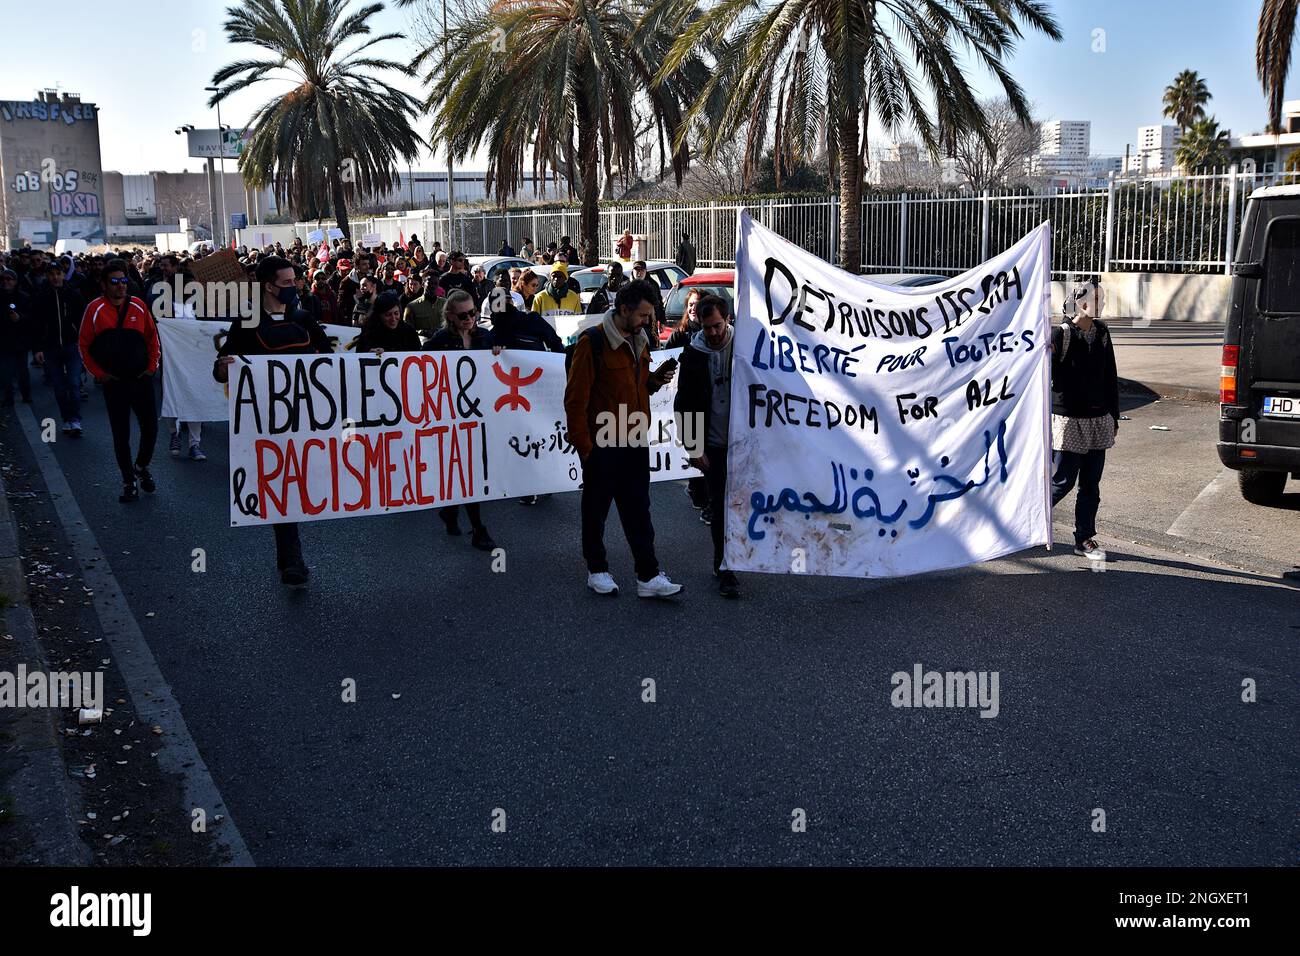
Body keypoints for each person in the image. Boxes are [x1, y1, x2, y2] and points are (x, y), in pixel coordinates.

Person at [214, 255, 332, 587]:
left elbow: (331, 362)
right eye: (286, 283)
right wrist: (223, 368)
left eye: (295, 281)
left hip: (305, 415)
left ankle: (289, 558)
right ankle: (292, 560)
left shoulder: (304, 318)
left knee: (298, 480)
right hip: (267, 420)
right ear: (268, 286)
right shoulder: (247, 322)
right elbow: (221, 366)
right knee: (284, 482)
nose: (294, 287)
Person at [564, 280, 682, 599]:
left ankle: (648, 576)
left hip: (635, 441)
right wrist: (587, 450)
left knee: (639, 512)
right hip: (602, 443)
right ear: (624, 309)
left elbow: (638, 386)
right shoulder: (593, 342)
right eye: (643, 315)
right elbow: (575, 401)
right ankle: (597, 570)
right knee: (596, 511)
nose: (647, 321)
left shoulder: (640, 338)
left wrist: (655, 381)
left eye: (650, 315)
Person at [79, 260, 161, 503]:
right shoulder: (94, 309)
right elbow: (83, 345)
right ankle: (128, 481)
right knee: (120, 434)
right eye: (114, 282)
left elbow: (152, 338)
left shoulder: (138, 305)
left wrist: (150, 367)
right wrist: (100, 374)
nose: (120, 286)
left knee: (151, 428)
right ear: (104, 285)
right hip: (114, 383)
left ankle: (140, 466)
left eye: (123, 281)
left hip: (140, 380)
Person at [673, 295, 738, 598]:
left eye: (717, 326)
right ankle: (724, 566)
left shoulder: (746, 348)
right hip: (713, 446)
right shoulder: (693, 353)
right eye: (707, 327)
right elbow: (683, 403)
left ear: (727, 320)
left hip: (745, 445)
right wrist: (694, 447)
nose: (713, 333)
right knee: (722, 508)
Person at [1050, 280, 1120, 562]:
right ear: (1082, 303)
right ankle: (1023, 524)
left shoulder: (1102, 332)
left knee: (1091, 483)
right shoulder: (1061, 334)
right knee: (1062, 481)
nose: (1102, 303)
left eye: (1103, 299)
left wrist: (1113, 415)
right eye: (1098, 299)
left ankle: (1084, 538)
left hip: (1098, 419)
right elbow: (1045, 377)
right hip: (1069, 420)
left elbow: (1109, 375)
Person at [428, 290, 498, 552]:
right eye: (463, 315)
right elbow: (414, 363)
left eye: (472, 313)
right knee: (467, 471)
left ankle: (450, 510)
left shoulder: (485, 337)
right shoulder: (441, 340)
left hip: (480, 415)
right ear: (450, 316)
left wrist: (499, 352)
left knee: (472, 470)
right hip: (451, 415)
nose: (470, 318)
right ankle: (479, 529)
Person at [33, 259, 87, 434]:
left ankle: (76, 419)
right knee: (59, 387)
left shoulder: (74, 295)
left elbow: (83, 321)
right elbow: (37, 325)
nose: (55, 277)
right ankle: (66, 417)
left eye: (58, 274)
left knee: (73, 382)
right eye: (51, 274)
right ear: (47, 276)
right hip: (51, 347)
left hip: (72, 345)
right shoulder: (41, 297)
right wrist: (38, 348)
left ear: (64, 275)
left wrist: (84, 342)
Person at [0, 268, 36, 405]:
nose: (5, 282)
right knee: (5, 372)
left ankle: (26, 395)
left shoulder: (23, 297)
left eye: (9, 279)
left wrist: (20, 318)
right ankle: (8, 397)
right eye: (3, 279)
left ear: (15, 281)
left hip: (20, 340)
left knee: (22, 371)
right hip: (4, 340)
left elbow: (31, 317)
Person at [356, 291, 422, 354]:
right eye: (388, 315)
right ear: (379, 315)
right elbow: (357, 358)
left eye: (396, 313)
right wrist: (368, 354)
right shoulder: (368, 334)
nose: (393, 319)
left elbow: (419, 355)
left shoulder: (409, 332)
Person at [630, 260, 666, 338]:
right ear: (632, 271)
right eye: (636, 270)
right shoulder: (627, 286)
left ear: (646, 271)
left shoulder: (653, 285)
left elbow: (659, 304)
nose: (639, 273)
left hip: (650, 324)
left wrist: (662, 321)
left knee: (652, 346)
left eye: (641, 270)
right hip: (632, 324)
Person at [402, 275, 443, 340]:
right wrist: (422, 332)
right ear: (423, 284)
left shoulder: (445, 304)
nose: (432, 286)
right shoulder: (412, 306)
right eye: (429, 283)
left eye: (435, 283)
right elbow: (406, 329)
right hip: (422, 343)